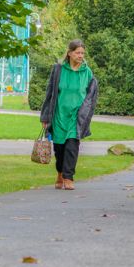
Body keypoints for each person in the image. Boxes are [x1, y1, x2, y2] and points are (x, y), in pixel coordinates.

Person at [40, 40, 99, 190]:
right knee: (59, 148)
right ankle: (60, 172)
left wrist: (86, 114)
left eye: (82, 53)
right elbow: (50, 94)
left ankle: (68, 177)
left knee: (72, 145)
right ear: (70, 53)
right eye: (78, 52)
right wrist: (45, 117)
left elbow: (91, 96)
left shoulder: (87, 72)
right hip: (59, 115)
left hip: (76, 117)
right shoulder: (58, 69)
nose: (81, 56)